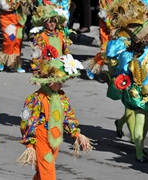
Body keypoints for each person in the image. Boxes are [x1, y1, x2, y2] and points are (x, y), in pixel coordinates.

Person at [17, 50, 92, 179]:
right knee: (48, 172)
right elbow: (27, 121)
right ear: (49, 80)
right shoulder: (36, 98)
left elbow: (68, 116)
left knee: (42, 172)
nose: (61, 84)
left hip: (55, 138)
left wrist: (77, 134)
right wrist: (29, 145)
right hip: (41, 138)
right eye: (58, 82)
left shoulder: (61, 96)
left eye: (62, 82)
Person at [105, 0, 148, 163]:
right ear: (143, 38)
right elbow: (122, 72)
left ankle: (140, 147)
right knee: (139, 120)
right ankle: (139, 152)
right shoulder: (129, 55)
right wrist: (122, 81)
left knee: (146, 122)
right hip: (137, 93)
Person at [30, 5, 72, 73]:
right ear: (44, 23)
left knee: (59, 84)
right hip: (47, 68)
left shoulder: (61, 35)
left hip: (61, 67)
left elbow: (65, 51)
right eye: (49, 22)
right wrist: (36, 69)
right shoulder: (40, 37)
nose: (52, 24)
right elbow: (36, 54)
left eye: (54, 21)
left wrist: (69, 64)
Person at [0, 0, 35, 73]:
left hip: (19, 17)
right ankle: (2, 60)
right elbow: (4, 5)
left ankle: (15, 63)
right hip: (6, 17)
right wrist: (17, 3)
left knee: (18, 41)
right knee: (10, 39)